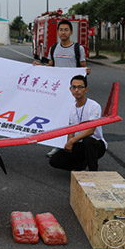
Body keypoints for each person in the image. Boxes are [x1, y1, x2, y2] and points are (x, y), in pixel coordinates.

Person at [37, 20, 90, 158]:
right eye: (61, 30)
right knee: (59, 117)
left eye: (66, 30)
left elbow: (83, 67)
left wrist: (86, 71)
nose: (63, 32)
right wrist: (39, 67)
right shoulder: (54, 48)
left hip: (73, 91)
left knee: (72, 117)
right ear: (57, 32)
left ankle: (74, 143)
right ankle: (58, 145)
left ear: (71, 32)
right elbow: (51, 67)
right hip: (58, 90)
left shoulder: (78, 48)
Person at [49, 75, 107, 172]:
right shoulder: (72, 107)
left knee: (88, 141)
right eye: (74, 87)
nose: (76, 90)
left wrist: (72, 141)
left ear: (86, 89)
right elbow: (71, 129)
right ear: (70, 89)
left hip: (96, 145)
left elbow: (91, 130)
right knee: (54, 161)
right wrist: (69, 144)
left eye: (80, 87)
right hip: (79, 143)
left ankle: (93, 172)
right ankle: (81, 165)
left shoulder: (94, 106)